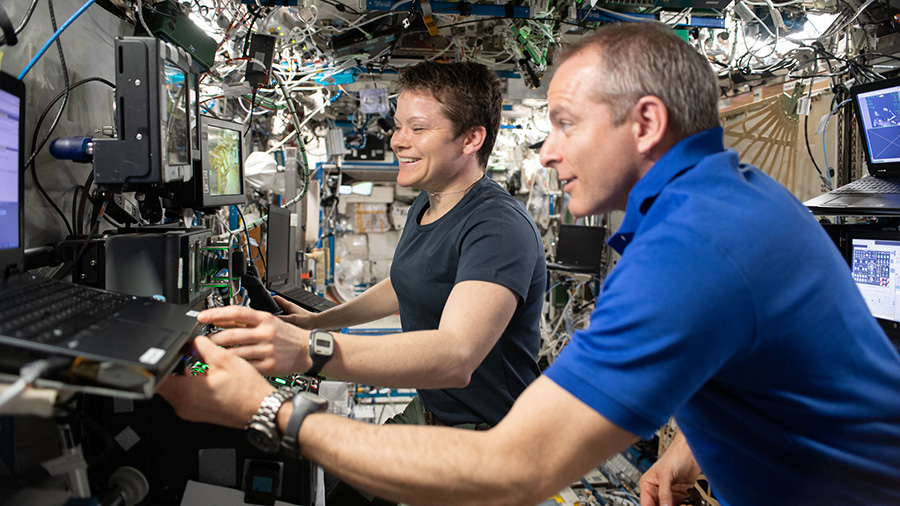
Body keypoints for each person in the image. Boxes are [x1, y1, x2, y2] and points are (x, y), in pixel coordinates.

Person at [160, 22, 900, 506]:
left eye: (565, 124)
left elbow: (517, 467)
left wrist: (271, 407)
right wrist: (696, 449)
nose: (545, 151)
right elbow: (753, 359)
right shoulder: (724, 206)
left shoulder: (695, 245)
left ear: (645, 122)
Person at [188, 61, 547, 504]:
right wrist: (321, 323)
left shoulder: (497, 227)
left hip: (492, 439)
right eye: (398, 126)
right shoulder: (429, 202)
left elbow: (456, 357)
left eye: (418, 128)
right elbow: (407, 283)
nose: (398, 141)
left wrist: (308, 352)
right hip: (434, 413)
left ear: (472, 138)